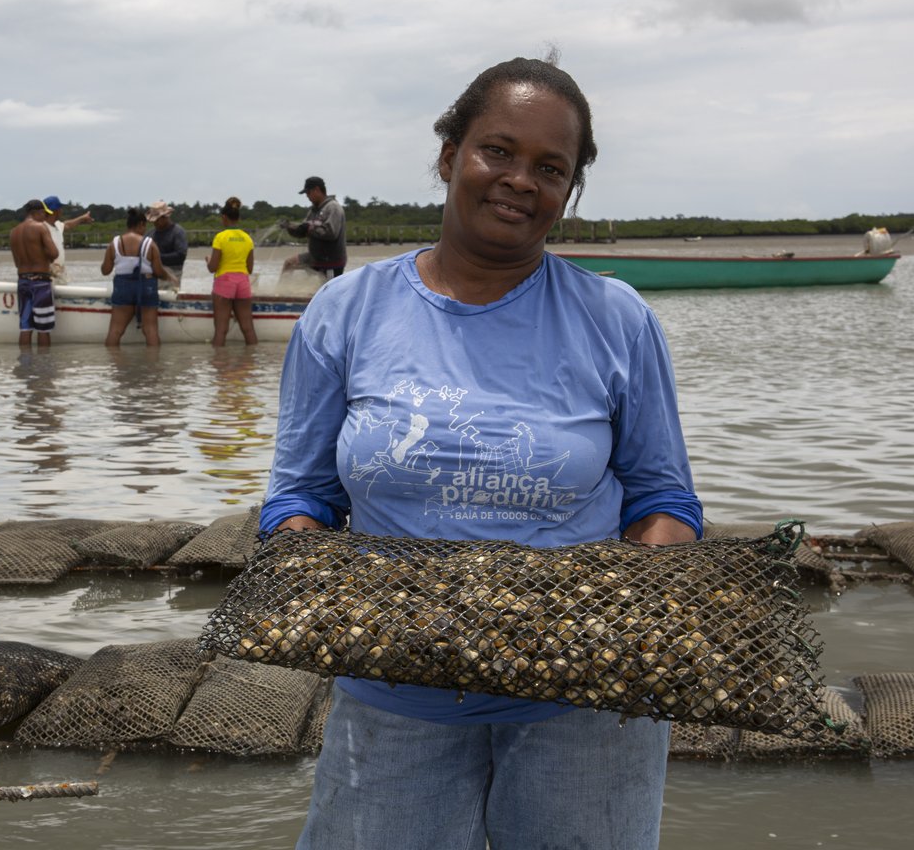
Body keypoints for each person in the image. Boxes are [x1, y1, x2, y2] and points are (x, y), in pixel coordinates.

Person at [259, 56, 703, 850]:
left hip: (586, 701)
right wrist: (316, 574)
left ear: (569, 190)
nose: (520, 180)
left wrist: (617, 607)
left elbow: (664, 501)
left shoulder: (617, 319)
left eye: (551, 168)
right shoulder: (346, 311)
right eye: (497, 151)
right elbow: (300, 496)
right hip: (393, 694)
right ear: (448, 156)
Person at [100, 207, 173, 346]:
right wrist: (169, 277)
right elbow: (158, 271)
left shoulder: (114, 243)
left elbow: (105, 271)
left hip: (123, 288)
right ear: (141, 224)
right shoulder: (149, 243)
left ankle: (112, 359)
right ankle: (153, 359)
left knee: (115, 331)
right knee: (150, 330)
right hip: (146, 287)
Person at [206, 196, 258, 347]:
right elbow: (250, 269)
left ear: (224, 217)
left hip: (224, 283)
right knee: (248, 328)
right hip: (243, 282)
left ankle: (218, 359)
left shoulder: (220, 237)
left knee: (221, 330)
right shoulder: (247, 238)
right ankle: (252, 358)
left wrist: (208, 260)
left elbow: (213, 268)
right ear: (238, 218)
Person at [10, 199, 61, 347]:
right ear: (37, 212)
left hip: (22, 281)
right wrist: (44, 255)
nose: (45, 217)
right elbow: (54, 253)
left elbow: (16, 263)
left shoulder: (14, 232)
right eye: (44, 214)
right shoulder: (40, 228)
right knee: (43, 329)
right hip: (41, 282)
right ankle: (43, 360)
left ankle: (25, 360)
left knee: (25, 327)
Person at [280, 176, 346, 278]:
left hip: (331, 261)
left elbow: (331, 233)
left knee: (327, 287)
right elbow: (302, 230)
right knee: (289, 263)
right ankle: (281, 288)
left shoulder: (333, 207)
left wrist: (309, 228)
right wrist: (289, 226)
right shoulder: (313, 210)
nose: (307, 196)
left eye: (308, 193)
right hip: (315, 258)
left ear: (317, 190)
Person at [39, 194, 94, 283]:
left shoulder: (57, 225)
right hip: (48, 273)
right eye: (60, 208)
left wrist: (82, 218)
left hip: (60, 271)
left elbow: (67, 224)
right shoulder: (41, 228)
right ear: (55, 211)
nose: (61, 211)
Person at [145, 200, 188, 290]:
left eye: (157, 220)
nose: (155, 222)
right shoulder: (150, 234)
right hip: (152, 275)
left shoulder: (177, 232)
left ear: (165, 217)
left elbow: (181, 255)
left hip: (172, 273)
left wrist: (156, 258)